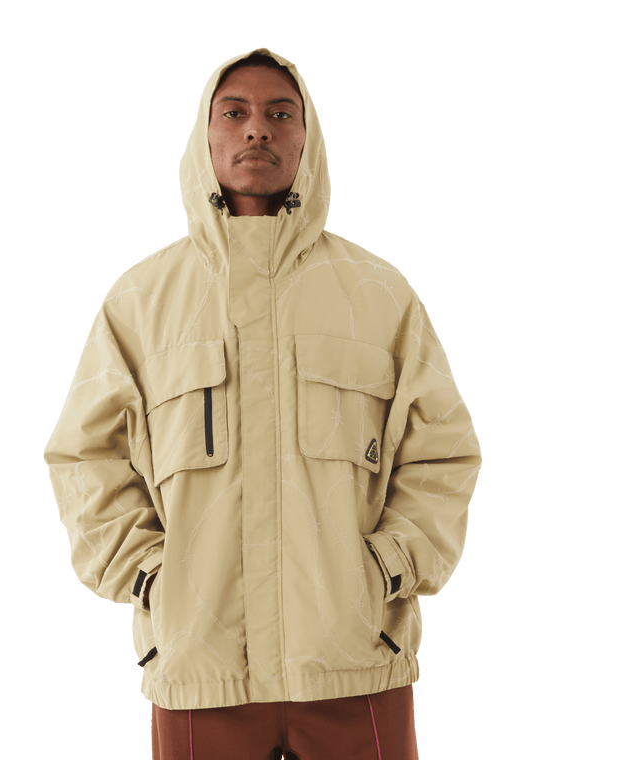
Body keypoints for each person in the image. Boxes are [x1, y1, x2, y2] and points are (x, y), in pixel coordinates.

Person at [42, 46, 484, 760]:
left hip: (354, 662)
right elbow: (84, 456)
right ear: (205, 135)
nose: (257, 129)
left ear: (309, 140)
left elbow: (443, 452)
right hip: (200, 666)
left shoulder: (379, 295)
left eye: (281, 114)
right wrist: (149, 575)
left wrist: (390, 568)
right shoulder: (141, 301)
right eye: (235, 112)